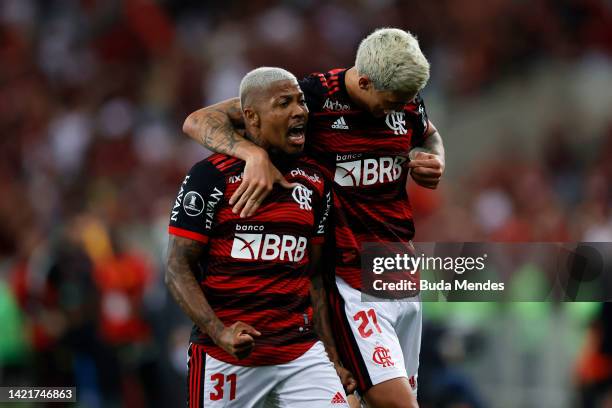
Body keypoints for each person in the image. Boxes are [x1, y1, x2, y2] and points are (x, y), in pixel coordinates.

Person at [182, 28, 445, 408]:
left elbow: (431, 136)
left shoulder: (404, 97)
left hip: (401, 275)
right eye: (389, 103)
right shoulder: (311, 98)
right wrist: (252, 155)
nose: (396, 112)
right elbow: (198, 120)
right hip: (351, 281)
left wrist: (436, 160)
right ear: (366, 81)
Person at [165, 67, 351, 407]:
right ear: (251, 117)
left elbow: (315, 278)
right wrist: (219, 331)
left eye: (300, 102)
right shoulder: (210, 177)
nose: (299, 111)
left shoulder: (314, 182)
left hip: (300, 352)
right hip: (227, 357)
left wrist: (332, 356)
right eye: (284, 104)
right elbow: (177, 267)